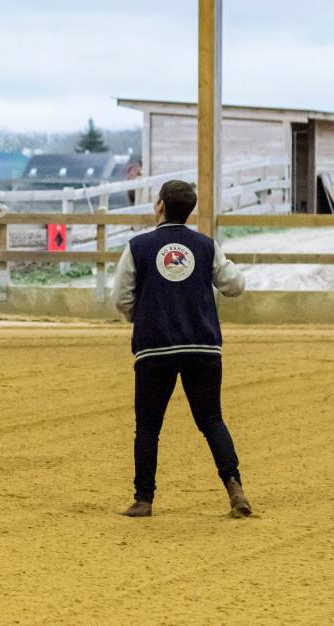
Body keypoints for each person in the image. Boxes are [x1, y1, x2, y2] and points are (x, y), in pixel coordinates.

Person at [109, 179, 252, 518]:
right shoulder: (206, 246)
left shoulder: (137, 246)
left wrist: (138, 316)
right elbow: (235, 285)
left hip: (154, 347)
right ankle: (235, 488)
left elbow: (120, 298)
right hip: (202, 345)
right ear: (189, 210)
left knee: (148, 426)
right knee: (212, 420)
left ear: (159, 206)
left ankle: (144, 499)